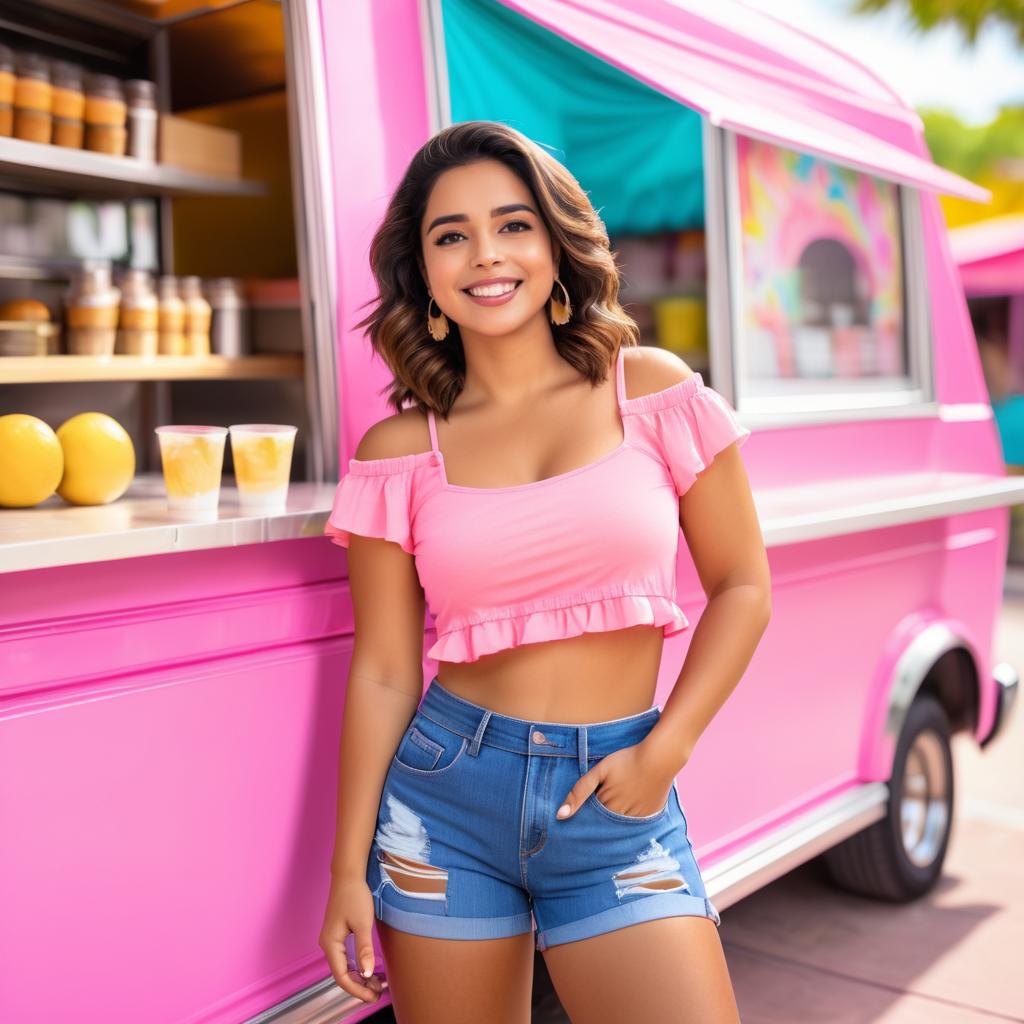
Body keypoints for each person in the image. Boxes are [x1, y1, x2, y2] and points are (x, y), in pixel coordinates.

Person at [318, 120, 771, 1023]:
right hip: (443, 800)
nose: (486, 254)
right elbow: (382, 670)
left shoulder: (649, 392)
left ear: (557, 247)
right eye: (452, 235)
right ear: (426, 274)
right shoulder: (399, 451)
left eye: (513, 224)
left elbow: (743, 588)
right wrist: (347, 870)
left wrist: (666, 749)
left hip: (617, 789)